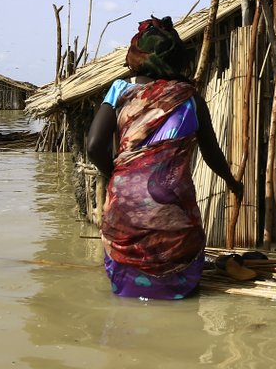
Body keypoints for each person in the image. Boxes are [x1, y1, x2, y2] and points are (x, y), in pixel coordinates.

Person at [86, 16, 244, 299]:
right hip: (171, 206)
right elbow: (211, 153)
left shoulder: (119, 91)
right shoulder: (189, 98)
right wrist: (232, 182)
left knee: (125, 303)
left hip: (124, 203)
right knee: (182, 251)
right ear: (175, 59)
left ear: (136, 57)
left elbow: (95, 146)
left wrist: (119, 178)